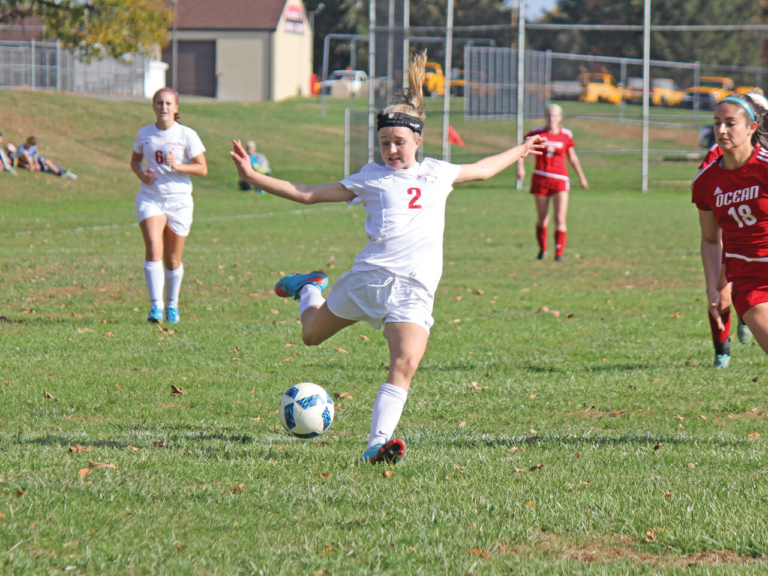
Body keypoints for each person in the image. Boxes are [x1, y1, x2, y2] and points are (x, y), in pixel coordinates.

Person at [231, 52, 545, 465]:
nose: (392, 150)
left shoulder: (438, 172)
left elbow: (484, 170)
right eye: (385, 143)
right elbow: (308, 192)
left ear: (418, 141)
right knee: (311, 335)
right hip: (370, 281)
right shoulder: (370, 178)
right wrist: (254, 177)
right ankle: (309, 288)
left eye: (399, 142)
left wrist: (520, 150)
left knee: (406, 361)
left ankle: (377, 444)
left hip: (414, 289)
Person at [692, 93, 768, 364]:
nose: (721, 129)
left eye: (730, 122)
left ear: (751, 127)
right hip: (750, 282)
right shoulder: (705, 182)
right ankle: (722, 353)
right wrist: (714, 286)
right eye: (716, 122)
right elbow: (711, 240)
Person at [130, 88, 207, 324]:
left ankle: (172, 305)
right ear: (153, 106)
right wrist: (142, 175)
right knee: (154, 246)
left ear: (176, 108)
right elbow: (134, 161)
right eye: (159, 103)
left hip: (180, 201)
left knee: (172, 259)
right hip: (151, 198)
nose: (164, 107)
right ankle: (156, 307)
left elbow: (202, 168)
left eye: (168, 103)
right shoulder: (145, 133)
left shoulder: (187, 135)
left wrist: (179, 166)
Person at [516, 104, 588, 261]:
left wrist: (581, 176)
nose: (551, 119)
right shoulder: (537, 133)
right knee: (542, 218)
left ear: (560, 118)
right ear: (545, 117)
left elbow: (572, 157)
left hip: (560, 179)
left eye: (555, 116)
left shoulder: (566, 135)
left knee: (560, 218)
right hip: (540, 178)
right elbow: (521, 149)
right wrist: (520, 168)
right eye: (549, 115)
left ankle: (559, 254)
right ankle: (543, 250)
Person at [8, 136, 77, 179]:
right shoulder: (22, 147)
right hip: (27, 161)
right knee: (45, 167)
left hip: (34, 161)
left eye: (32, 144)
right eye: (30, 144)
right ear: (27, 142)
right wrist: (31, 165)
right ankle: (61, 173)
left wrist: (36, 163)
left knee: (46, 161)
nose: (31, 146)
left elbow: (35, 156)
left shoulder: (33, 147)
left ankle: (61, 171)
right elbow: (19, 157)